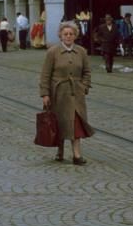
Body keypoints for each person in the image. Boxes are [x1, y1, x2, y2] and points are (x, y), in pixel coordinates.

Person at [39, 21, 94, 165]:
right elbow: (45, 74)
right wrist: (45, 94)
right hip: (59, 94)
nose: (68, 37)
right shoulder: (53, 52)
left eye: (71, 34)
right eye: (65, 34)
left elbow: (87, 72)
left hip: (77, 93)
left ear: (75, 35)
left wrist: (84, 86)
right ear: (60, 36)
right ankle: (60, 150)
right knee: (60, 122)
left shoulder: (82, 51)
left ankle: (77, 155)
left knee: (76, 123)